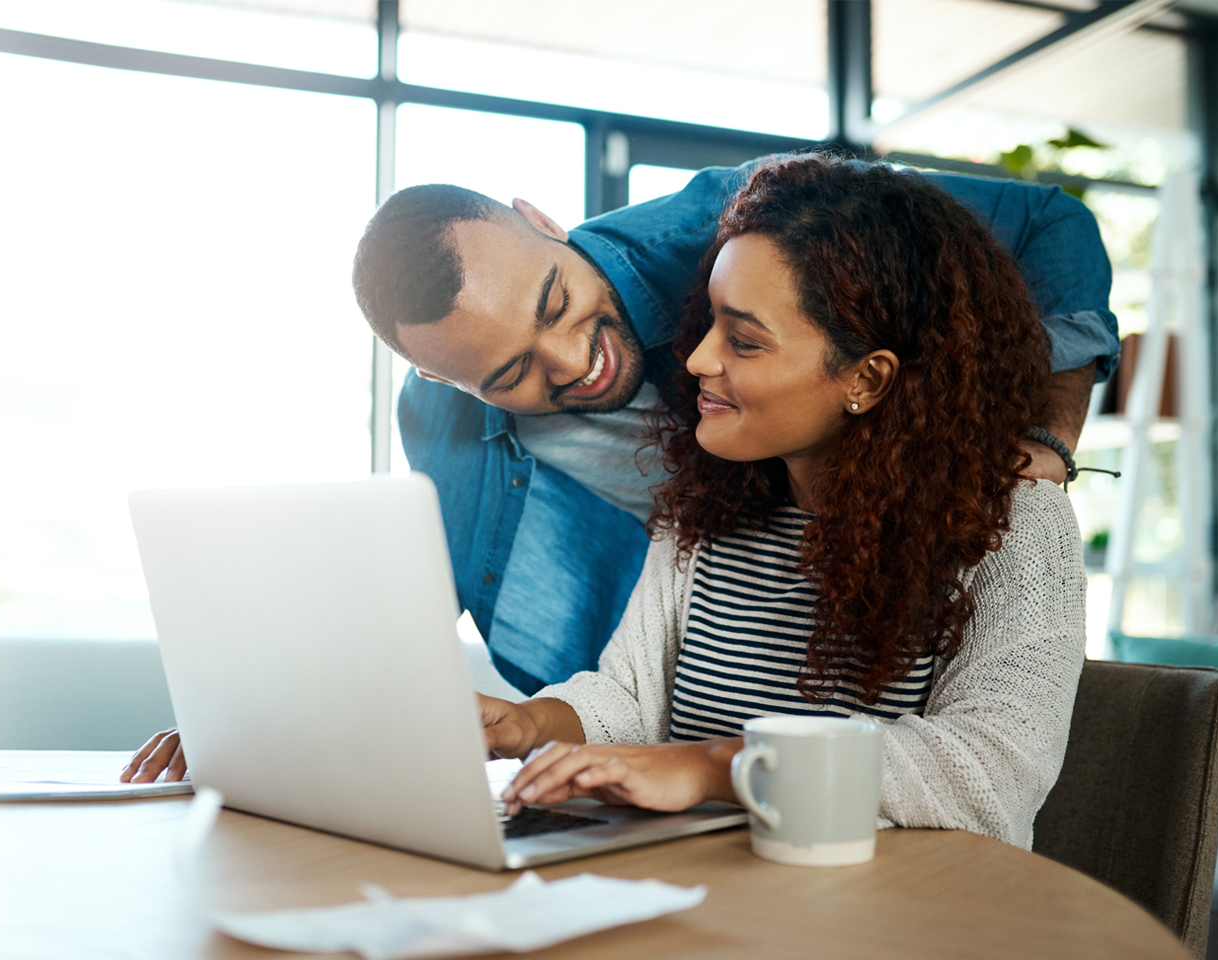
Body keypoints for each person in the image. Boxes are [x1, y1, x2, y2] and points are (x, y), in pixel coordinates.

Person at [120, 152, 1112, 785]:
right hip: (685, 813)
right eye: (510, 373)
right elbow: (622, 688)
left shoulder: (739, 228)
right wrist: (271, 729)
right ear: (449, 383)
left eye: (557, 304)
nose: (574, 363)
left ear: (543, 220)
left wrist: (1045, 452)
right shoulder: (700, 507)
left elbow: (988, 764)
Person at [481, 155, 1085, 848]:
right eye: (709, 321)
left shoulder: (1015, 526)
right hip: (717, 896)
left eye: (742, 340)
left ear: (867, 377)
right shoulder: (701, 513)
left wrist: (716, 764)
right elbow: (632, 699)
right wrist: (527, 723)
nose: (699, 359)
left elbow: (989, 770)